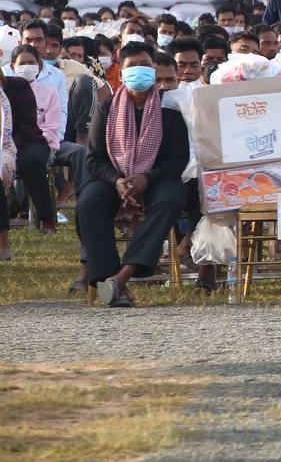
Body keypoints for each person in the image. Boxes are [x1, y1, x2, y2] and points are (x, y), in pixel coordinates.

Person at [78, 41, 190, 307]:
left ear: (154, 69)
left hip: (157, 178)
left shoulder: (170, 107)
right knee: (89, 203)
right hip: (114, 178)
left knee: (170, 199)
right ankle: (109, 278)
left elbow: (178, 159)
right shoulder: (107, 107)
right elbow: (95, 158)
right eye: (132, 66)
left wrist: (147, 178)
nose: (139, 70)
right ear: (122, 71)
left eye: (145, 65)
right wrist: (117, 180)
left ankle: (122, 277)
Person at [2, 49, 57, 236]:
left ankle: (46, 217)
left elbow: (27, 124)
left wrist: (8, 147)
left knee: (31, 161)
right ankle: (11, 204)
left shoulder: (18, 86)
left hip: (28, 140)